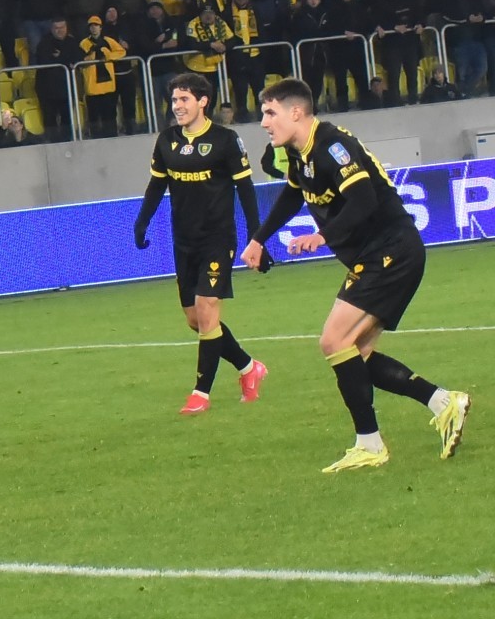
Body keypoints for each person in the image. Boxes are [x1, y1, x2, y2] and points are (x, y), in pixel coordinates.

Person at [243, 80, 470, 470]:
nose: (264, 122)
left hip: (391, 250)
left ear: (296, 112)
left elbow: (363, 199)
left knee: (334, 341)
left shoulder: (333, 145)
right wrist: (258, 239)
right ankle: (443, 402)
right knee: (355, 354)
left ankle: (370, 444)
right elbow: (293, 194)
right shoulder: (299, 152)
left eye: (270, 112)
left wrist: (322, 235)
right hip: (378, 254)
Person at [135, 74, 268, 416]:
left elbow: (245, 188)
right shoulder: (166, 140)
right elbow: (156, 185)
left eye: (184, 99)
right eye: (174, 100)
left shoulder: (225, 140)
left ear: (202, 101)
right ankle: (249, 367)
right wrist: (142, 220)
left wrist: (257, 236)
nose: (177, 106)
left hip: (217, 239)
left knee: (207, 310)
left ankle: (200, 394)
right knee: (196, 320)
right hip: (184, 241)